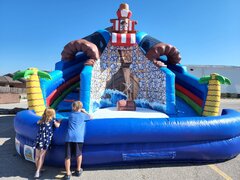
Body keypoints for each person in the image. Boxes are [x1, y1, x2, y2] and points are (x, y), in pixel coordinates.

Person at [64, 101, 92, 179]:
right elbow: (91, 117)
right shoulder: (83, 116)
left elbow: (62, 118)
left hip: (69, 137)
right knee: (79, 154)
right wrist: (85, 111)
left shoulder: (70, 115)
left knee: (67, 156)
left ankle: (68, 173)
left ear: (73, 107)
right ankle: (78, 170)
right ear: (81, 107)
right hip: (78, 138)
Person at [33, 107, 61, 178]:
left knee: (37, 156)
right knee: (42, 156)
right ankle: (38, 171)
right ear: (52, 114)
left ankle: (38, 168)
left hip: (38, 139)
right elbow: (57, 126)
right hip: (45, 140)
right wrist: (60, 121)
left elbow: (37, 122)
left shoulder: (42, 120)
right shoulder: (53, 120)